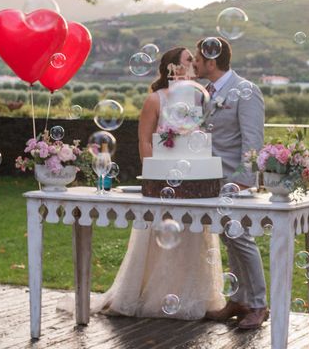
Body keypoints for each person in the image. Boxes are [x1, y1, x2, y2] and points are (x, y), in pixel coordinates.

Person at [58, 47, 225, 320]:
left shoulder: (197, 98)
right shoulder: (155, 100)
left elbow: (198, 137)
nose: (194, 63)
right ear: (172, 68)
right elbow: (145, 139)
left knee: (191, 237)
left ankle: (191, 297)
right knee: (161, 236)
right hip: (163, 182)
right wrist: (153, 173)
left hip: (193, 182)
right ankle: (153, 295)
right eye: (188, 60)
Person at [193, 37, 269, 330]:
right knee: (228, 239)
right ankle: (239, 299)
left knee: (241, 240)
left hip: (232, 183)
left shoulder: (246, 91)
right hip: (208, 181)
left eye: (198, 58)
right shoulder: (203, 92)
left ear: (211, 61)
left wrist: (242, 182)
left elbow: (253, 142)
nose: (196, 63)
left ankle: (259, 305)